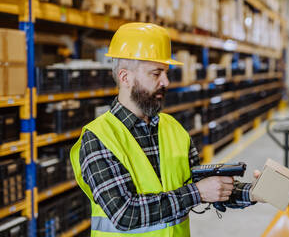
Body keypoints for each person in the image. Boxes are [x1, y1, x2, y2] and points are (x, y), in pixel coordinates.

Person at [70, 22, 262, 237]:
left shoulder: (173, 129)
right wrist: (197, 192)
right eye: (156, 73)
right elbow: (124, 213)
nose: (166, 81)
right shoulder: (98, 138)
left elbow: (203, 186)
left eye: (166, 72)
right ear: (125, 78)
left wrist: (256, 192)